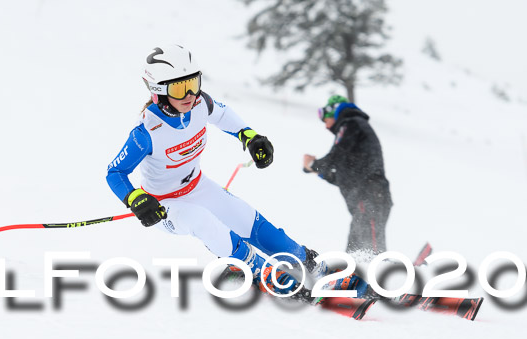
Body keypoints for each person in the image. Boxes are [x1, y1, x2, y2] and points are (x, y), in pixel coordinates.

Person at [106, 44, 326, 298]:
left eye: (193, 82)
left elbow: (222, 115)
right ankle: (256, 271)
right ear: (158, 92)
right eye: (179, 88)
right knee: (201, 220)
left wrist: (249, 136)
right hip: (164, 205)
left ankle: (311, 264)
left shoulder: (200, 103)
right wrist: (134, 197)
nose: (190, 94)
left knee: (256, 226)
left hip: (198, 187)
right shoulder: (147, 131)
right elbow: (115, 172)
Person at [303, 95, 392, 255]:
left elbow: (336, 154)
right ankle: (352, 275)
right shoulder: (353, 133)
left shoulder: (351, 124)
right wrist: (318, 172)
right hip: (367, 199)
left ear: (333, 111)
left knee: (370, 248)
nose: (325, 126)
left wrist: (313, 165)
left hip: (370, 195)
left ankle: (383, 273)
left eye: (325, 120)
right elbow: (343, 178)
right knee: (356, 250)